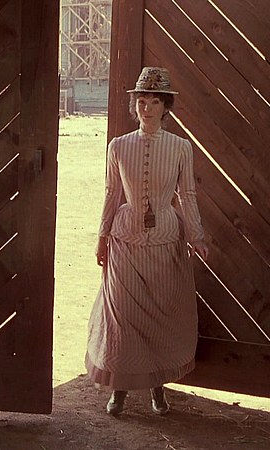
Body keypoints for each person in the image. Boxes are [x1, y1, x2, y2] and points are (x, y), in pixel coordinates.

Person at [85, 67, 209, 416]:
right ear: (135, 105)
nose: (147, 108)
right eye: (142, 101)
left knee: (159, 316)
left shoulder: (181, 147)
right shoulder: (118, 146)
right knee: (122, 316)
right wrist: (101, 237)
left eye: (154, 102)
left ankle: (158, 389)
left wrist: (197, 236)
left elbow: (187, 195)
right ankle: (119, 391)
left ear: (166, 107)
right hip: (124, 239)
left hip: (165, 240)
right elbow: (111, 193)